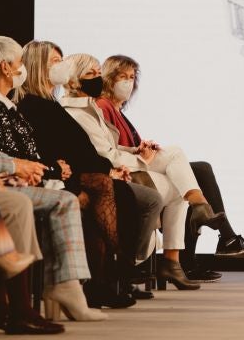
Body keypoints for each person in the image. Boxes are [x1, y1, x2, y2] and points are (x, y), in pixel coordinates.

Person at [0, 19, 105, 324]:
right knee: (36, 202)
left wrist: (32, 166)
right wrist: (25, 167)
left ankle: (47, 292)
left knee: (61, 198)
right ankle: (20, 300)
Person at [0, 37, 136, 310]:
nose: (22, 68)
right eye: (19, 63)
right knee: (81, 196)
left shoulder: (11, 104)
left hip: (35, 174)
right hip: (10, 181)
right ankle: (63, 287)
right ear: (6, 67)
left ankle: (92, 280)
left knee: (101, 191)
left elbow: (27, 150)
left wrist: (47, 167)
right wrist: (49, 169)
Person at [60, 54, 223, 291]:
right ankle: (171, 252)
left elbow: (113, 147)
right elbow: (106, 155)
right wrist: (139, 157)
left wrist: (136, 149)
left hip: (124, 163)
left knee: (179, 170)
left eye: (98, 73)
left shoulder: (91, 107)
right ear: (74, 80)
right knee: (178, 171)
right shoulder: (81, 112)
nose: (98, 78)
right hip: (117, 171)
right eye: (92, 74)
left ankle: (177, 250)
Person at [17, 41, 161, 302]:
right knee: (110, 190)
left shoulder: (51, 103)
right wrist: (107, 169)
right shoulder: (35, 105)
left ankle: (108, 275)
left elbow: (84, 149)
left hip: (79, 171)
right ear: (39, 66)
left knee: (116, 192)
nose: (62, 67)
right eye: (55, 62)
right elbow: (60, 150)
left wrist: (112, 167)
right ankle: (113, 270)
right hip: (59, 176)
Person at [97, 55, 244, 282]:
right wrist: (140, 153)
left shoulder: (118, 111)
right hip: (130, 173)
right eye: (122, 77)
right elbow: (110, 150)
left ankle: (204, 247)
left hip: (138, 168)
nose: (128, 82)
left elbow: (125, 147)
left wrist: (142, 148)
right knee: (195, 173)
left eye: (132, 77)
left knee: (196, 173)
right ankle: (217, 240)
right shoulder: (103, 107)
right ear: (108, 78)